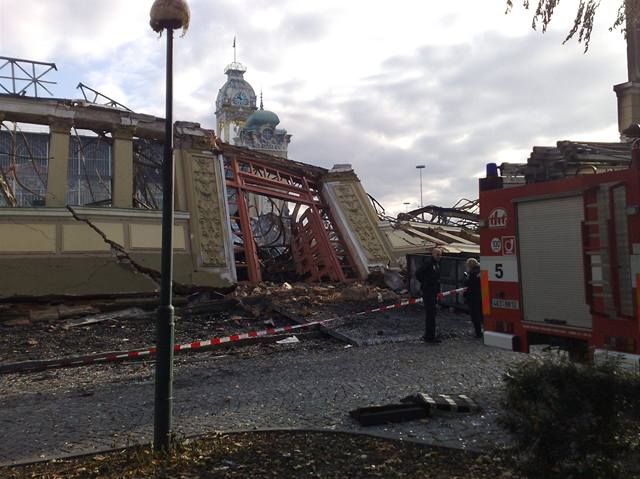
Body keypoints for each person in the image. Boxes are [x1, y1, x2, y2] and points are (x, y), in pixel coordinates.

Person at [415, 247, 442, 343]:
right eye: (437, 254)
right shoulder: (428, 263)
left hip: (433, 291)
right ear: (433, 254)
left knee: (432, 314)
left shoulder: (436, 264)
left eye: (440, 254)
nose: (439, 256)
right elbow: (418, 273)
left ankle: (430, 335)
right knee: (430, 314)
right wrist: (425, 283)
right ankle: (429, 336)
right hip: (428, 291)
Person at [463, 257, 483, 338]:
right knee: (482, 314)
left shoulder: (471, 274)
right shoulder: (481, 271)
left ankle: (478, 332)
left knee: (475, 316)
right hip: (481, 295)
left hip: (472, 297)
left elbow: (467, 285)